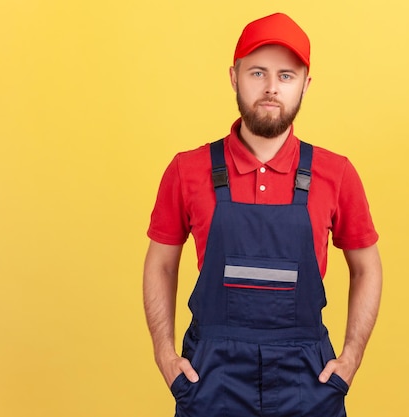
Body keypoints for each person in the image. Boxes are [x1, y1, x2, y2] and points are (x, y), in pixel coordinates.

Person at [143, 12, 383, 417]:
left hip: (308, 381)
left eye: (286, 76)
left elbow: (367, 268)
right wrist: (164, 356)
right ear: (234, 76)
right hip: (211, 380)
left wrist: (351, 358)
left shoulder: (336, 173)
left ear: (305, 84)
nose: (271, 88)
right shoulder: (187, 170)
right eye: (258, 72)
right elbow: (161, 265)